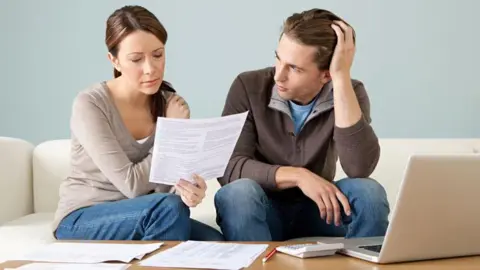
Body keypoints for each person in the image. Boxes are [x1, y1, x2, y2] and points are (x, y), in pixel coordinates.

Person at [215, 8, 390, 241]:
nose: (279, 75)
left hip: (321, 210)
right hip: (261, 208)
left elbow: (359, 169)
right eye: (278, 59)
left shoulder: (349, 91)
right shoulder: (248, 86)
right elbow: (229, 168)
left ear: (326, 75)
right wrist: (299, 176)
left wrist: (342, 79)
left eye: (295, 69)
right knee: (237, 194)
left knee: (369, 194)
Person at [53, 5, 224, 241]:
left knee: (215, 241)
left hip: (147, 212)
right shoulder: (90, 104)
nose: (150, 69)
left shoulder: (171, 104)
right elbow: (132, 185)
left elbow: (166, 185)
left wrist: (188, 192)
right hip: (83, 217)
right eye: (136, 59)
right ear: (114, 60)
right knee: (170, 209)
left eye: (158, 55)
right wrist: (170, 134)